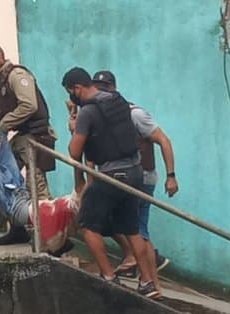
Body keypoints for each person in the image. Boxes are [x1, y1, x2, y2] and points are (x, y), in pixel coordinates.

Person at [63, 67, 161, 299]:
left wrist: (75, 128)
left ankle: (109, 276)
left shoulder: (87, 112)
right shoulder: (118, 101)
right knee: (132, 228)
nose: (72, 96)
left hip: (111, 174)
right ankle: (147, 282)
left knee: (86, 225)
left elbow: (75, 152)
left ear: (77, 88)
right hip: (135, 171)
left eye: (71, 92)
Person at [0, 43, 56, 246]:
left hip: (36, 137)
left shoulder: (16, 75)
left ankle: (52, 237)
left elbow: (29, 105)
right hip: (21, 137)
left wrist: (6, 124)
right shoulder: (0, 81)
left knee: (37, 187)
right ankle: (17, 227)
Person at [92, 70, 179, 278]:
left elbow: (164, 141)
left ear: (114, 89)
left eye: (106, 88)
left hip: (142, 177)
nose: (102, 93)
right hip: (124, 178)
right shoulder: (102, 114)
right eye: (99, 88)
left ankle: (141, 263)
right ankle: (144, 265)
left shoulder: (134, 114)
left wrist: (171, 176)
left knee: (123, 222)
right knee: (130, 225)